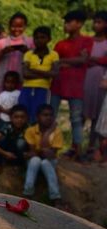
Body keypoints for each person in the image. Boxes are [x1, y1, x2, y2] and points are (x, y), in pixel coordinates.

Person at [50, 10, 93, 160]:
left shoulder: (87, 41)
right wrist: (72, 61)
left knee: (76, 118)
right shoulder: (60, 44)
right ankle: (49, 148)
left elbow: (84, 60)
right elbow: (54, 64)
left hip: (76, 85)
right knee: (51, 116)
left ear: (79, 24)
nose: (66, 25)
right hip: (58, 83)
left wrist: (63, 62)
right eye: (65, 22)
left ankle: (78, 151)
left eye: (70, 21)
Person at [23, 104, 63, 205]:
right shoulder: (30, 130)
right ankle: (27, 193)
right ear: (38, 117)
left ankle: (55, 197)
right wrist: (48, 133)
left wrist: (48, 132)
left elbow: (50, 154)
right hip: (35, 160)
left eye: (50, 115)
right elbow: (38, 152)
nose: (48, 117)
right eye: (45, 115)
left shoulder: (57, 132)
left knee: (45, 162)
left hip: (49, 161)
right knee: (35, 160)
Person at [18, 27, 59, 125]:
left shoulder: (54, 55)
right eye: (36, 38)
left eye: (42, 37)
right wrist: (46, 74)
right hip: (26, 89)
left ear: (49, 39)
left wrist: (34, 70)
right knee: (24, 113)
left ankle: (36, 138)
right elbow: (25, 74)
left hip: (43, 90)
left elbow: (55, 73)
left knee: (39, 116)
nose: (39, 40)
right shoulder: (28, 54)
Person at [0, 12, 34, 99]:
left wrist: (27, 52)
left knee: (20, 108)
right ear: (9, 26)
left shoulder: (30, 42)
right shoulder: (1, 42)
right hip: (4, 82)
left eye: (20, 26)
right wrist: (3, 52)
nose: (16, 29)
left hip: (23, 81)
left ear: (25, 26)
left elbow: (38, 61)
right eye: (13, 26)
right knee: (2, 105)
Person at [83, 10, 107, 160]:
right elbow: (82, 58)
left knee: (97, 115)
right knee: (81, 112)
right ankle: (77, 145)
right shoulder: (88, 41)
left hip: (101, 81)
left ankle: (93, 147)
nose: (96, 24)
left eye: (99, 22)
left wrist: (92, 59)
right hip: (86, 79)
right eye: (95, 21)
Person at [0, 104, 28, 177]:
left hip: (21, 155)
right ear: (11, 118)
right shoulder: (8, 127)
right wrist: (5, 153)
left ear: (26, 118)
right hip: (7, 153)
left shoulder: (28, 129)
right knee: (1, 139)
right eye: (16, 117)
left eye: (22, 117)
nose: (19, 120)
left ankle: (19, 166)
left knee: (21, 143)